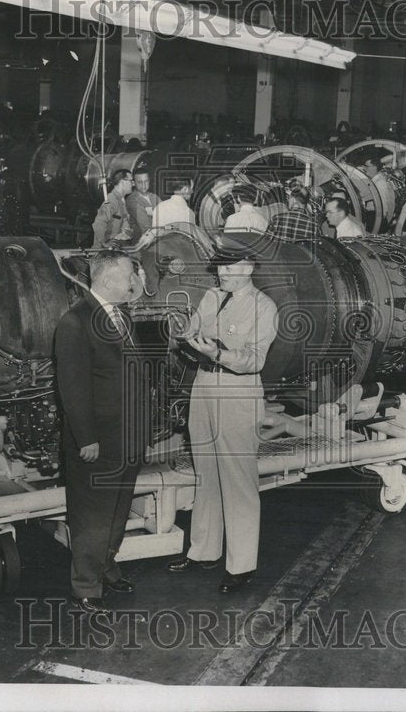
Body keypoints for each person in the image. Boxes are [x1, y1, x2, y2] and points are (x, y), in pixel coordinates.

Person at [167, 247, 278, 593]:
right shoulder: (213, 296)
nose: (221, 274)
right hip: (204, 386)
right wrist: (186, 337)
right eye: (220, 267)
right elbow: (195, 332)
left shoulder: (264, 307)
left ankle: (241, 565)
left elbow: (255, 360)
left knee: (237, 478)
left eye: (228, 267)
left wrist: (217, 352)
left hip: (237, 391)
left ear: (249, 266)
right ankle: (204, 551)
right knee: (206, 472)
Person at [55, 250, 151, 615]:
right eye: (130, 275)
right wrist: (87, 439)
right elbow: (73, 389)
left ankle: (107, 567)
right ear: (108, 278)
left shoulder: (120, 315)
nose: (134, 282)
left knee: (118, 508)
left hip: (128, 436)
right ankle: (85, 587)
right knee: (92, 513)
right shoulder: (75, 322)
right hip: (99, 440)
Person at [92, 169, 134, 247]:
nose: (133, 184)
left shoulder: (121, 200)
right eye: (131, 181)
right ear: (122, 182)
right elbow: (98, 223)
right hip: (104, 252)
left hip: (116, 248)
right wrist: (104, 242)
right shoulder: (111, 200)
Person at [359, 154, 397, 225]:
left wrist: (379, 222)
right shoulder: (375, 181)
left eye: (366, 166)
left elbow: (382, 205)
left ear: (374, 167)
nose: (364, 168)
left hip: (376, 218)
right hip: (375, 217)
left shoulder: (379, 182)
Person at [125, 169, 161, 243]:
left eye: (146, 181)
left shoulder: (154, 197)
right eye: (140, 182)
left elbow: (167, 214)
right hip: (142, 244)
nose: (144, 185)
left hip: (157, 238)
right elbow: (145, 227)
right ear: (133, 183)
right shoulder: (133, 200)